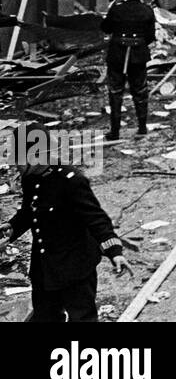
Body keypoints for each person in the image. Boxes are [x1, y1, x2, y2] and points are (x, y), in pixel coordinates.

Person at [0, 128, 132, 322]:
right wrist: (11, 228)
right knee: (45, 316)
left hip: (75, 266)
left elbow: (96, 218)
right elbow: (30, 210)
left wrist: (115, 252)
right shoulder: (31, 178)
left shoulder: (71, 181)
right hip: (45, 266)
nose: (14, 163)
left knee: (82, 317)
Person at [101, 0, 155, 139]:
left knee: (115, 91)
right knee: (140, 91)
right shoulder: (147, 11)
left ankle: (115, 131)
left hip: (118, 54)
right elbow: (150, 36)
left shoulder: (116, 9)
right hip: (138, 55)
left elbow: (106, 28)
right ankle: (142, 127)